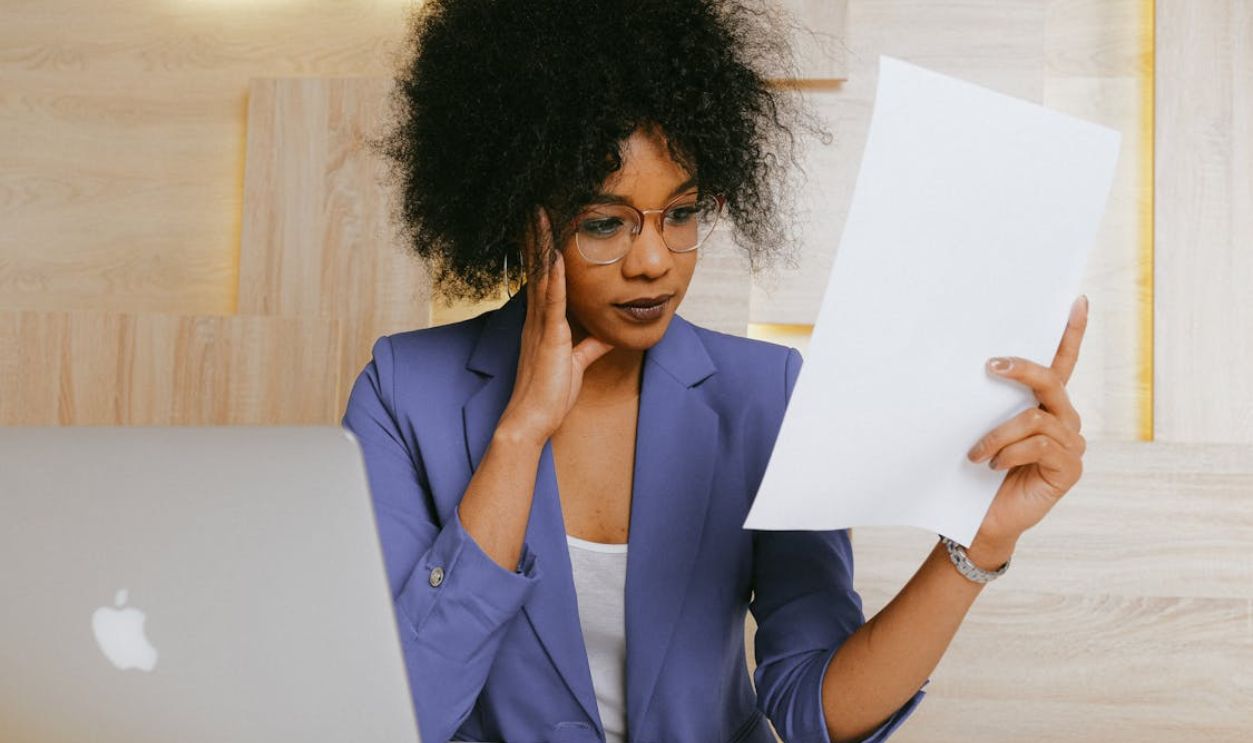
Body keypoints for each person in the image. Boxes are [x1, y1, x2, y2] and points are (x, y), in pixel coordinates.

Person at [341, 1, 1090, 742]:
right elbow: (401, 715)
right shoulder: (403, 394)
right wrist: (519, 435)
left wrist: (977, 544)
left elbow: (815, 713)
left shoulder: (764, 395)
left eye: (681, 213)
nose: (653, 260)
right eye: (603, 223)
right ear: (518, 217)